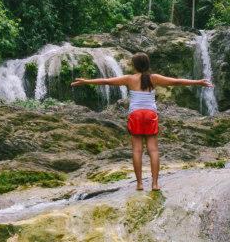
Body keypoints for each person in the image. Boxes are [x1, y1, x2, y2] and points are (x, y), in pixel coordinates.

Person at [71, 52, 214, 192]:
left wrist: (86, 81)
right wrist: (199, 82)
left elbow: (106, 81)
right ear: (147, 64)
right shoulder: (154, 78)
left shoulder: (129, 79)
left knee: (137, 150)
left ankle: (139, 184)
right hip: (150, 114)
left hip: (135, 115)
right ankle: (155, 184)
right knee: (153, 150)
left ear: (134, 65)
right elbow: (176, 82)